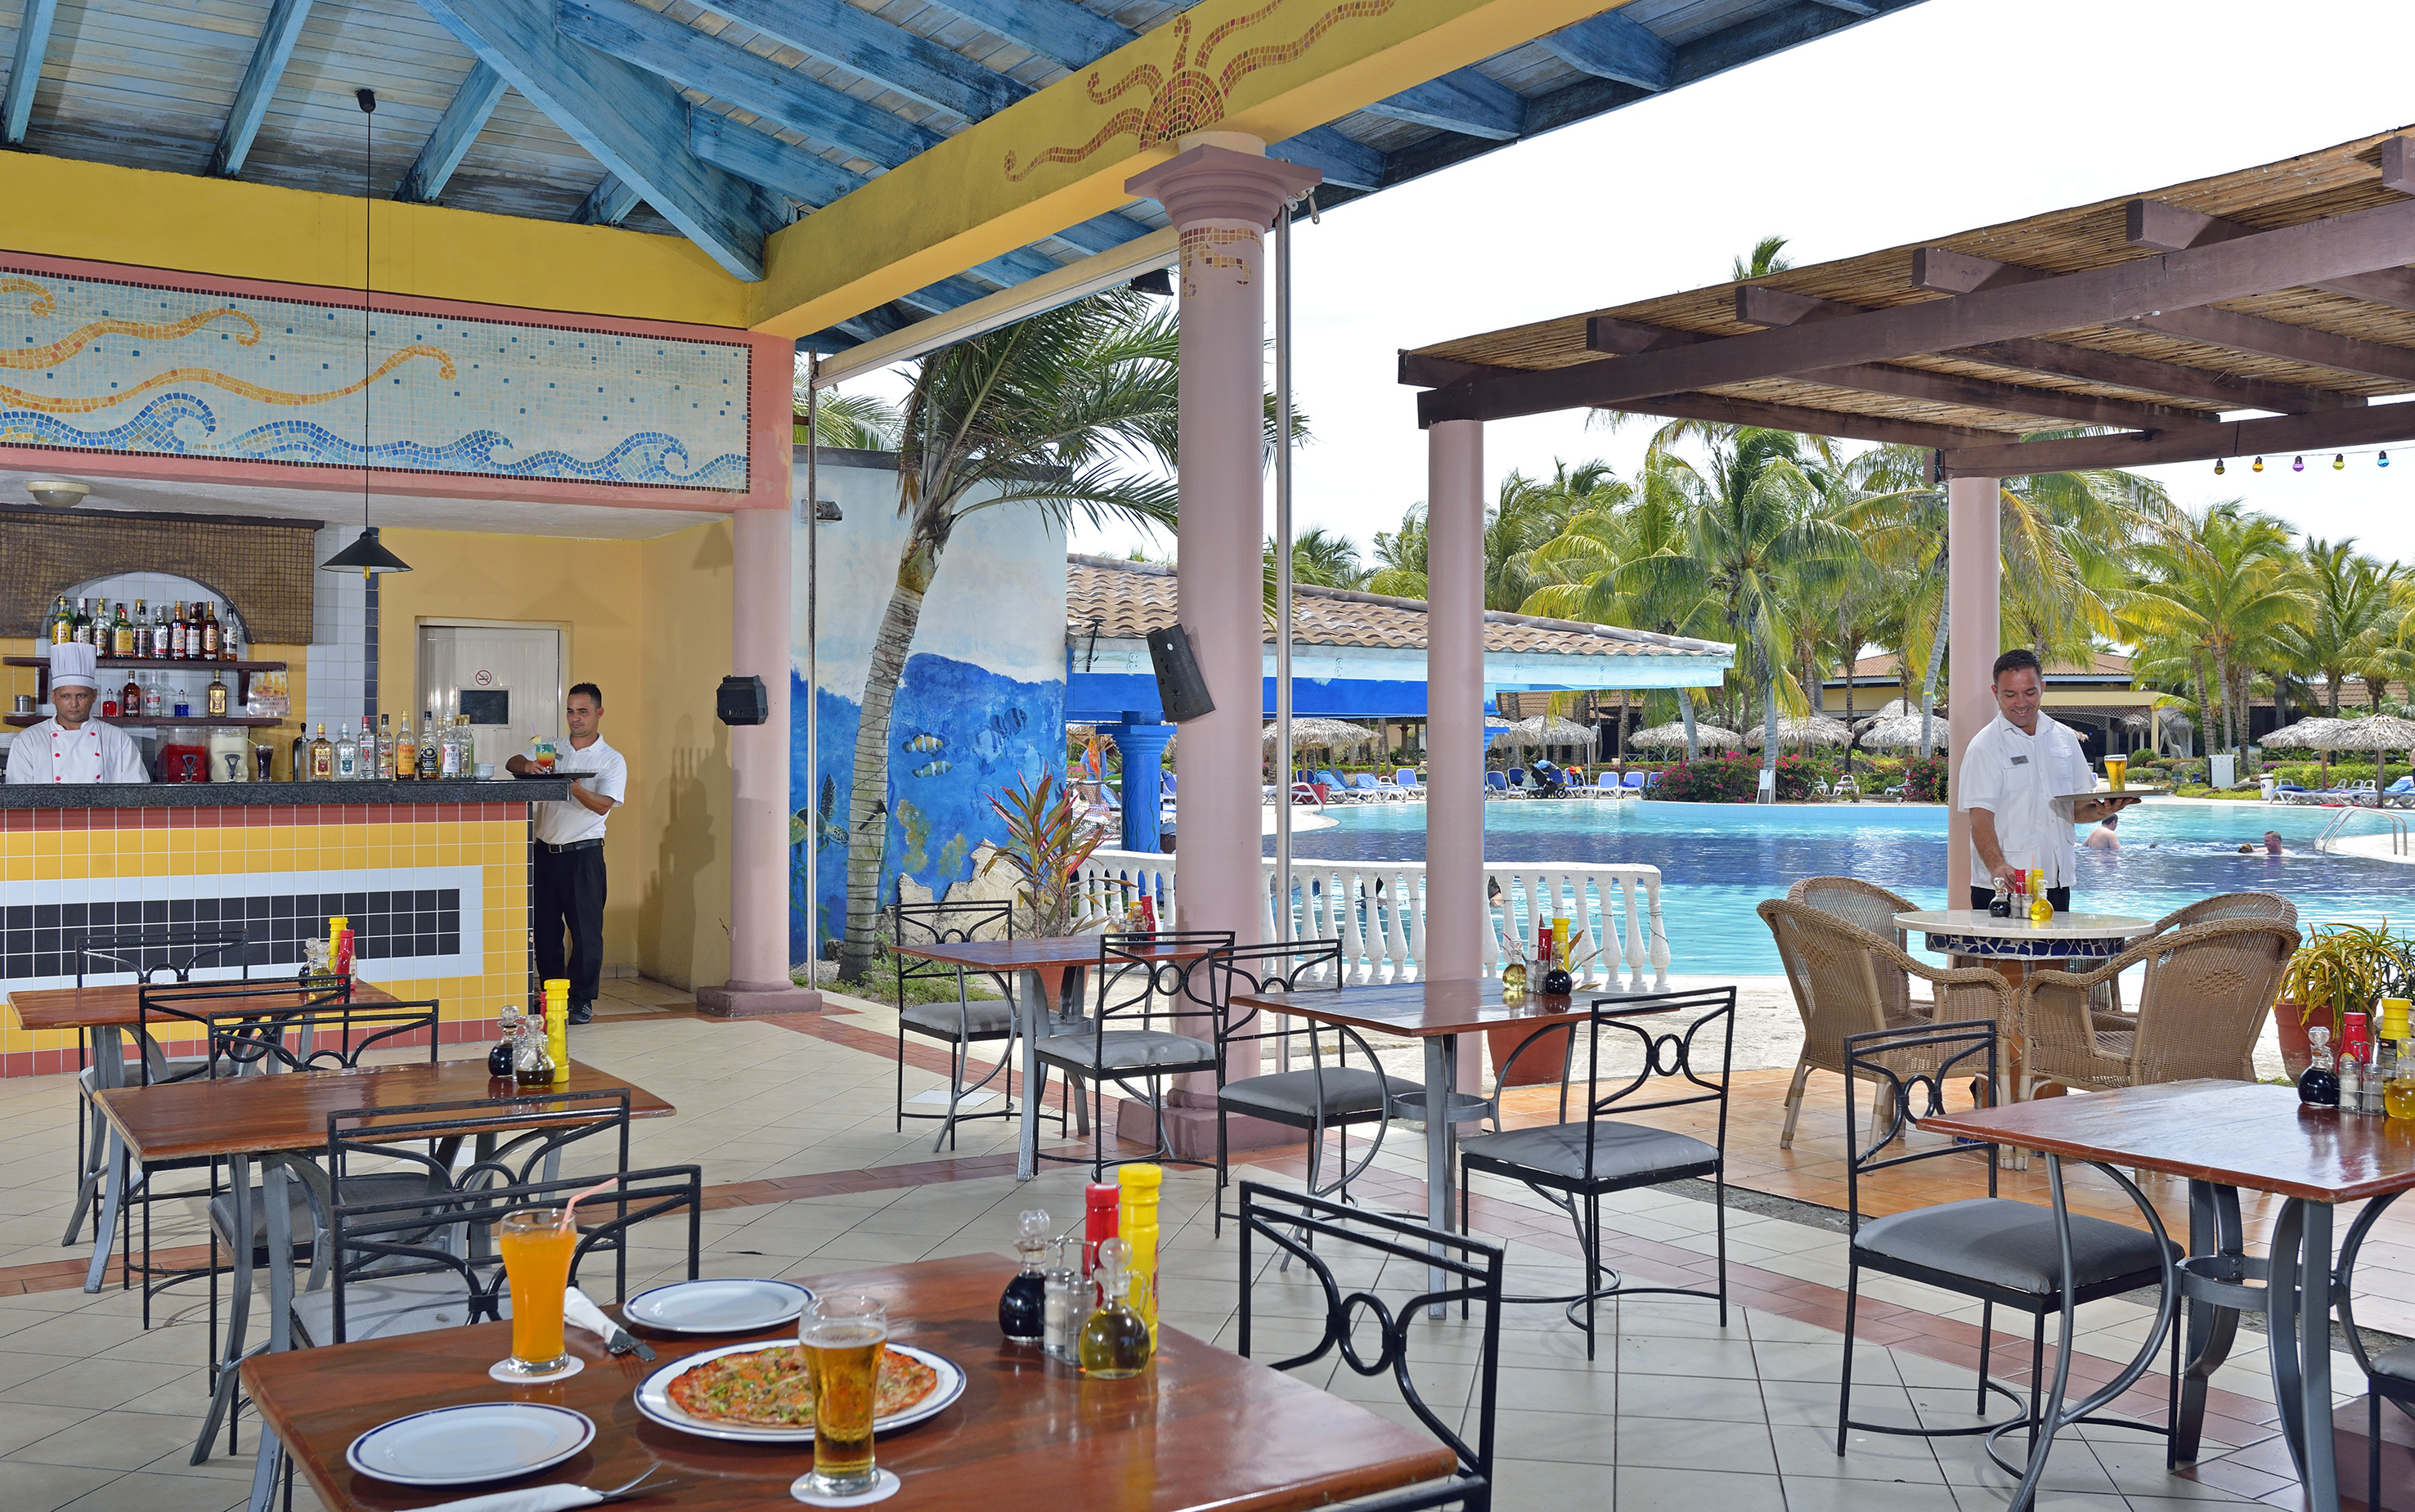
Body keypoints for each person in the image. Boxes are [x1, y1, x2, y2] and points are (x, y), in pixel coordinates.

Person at [1956, 648, 2139, 911]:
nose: (2021, 702)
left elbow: (2073, 810)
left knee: (2058, 941)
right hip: (2005, 885)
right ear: (1996, 693)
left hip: (2056, 881)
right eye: (2010, 694)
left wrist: (2102, 811)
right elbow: (1980, 819)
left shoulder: (2065, 738)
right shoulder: (1984, 747)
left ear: (2042, 687)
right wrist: (1997, 865)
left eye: (2030, 692)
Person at [506, 683, 624, 1025]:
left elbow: (603, 805)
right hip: (545, 853)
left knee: (586, 933)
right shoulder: (552, 749)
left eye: (583, 712)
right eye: (571, 711)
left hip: (583, 855)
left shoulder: (610, 759)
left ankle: (582, 1000)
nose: (575, 718)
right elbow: (513, 762)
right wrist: (529, 767)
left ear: (599, 713)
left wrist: (572, 788)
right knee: (545, 931)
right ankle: (551, 996)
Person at [6, 642, 149, 783]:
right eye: (65, 696)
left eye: (81, 696)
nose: (74, 704)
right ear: (53, 697)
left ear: (94, 696)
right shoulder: (29, 740)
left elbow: (137, 792)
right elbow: (18, 795)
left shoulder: (118, 739)